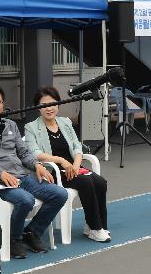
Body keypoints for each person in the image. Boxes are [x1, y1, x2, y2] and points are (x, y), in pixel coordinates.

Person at [0, 85, 68, 260]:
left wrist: (37, 165)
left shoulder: (10, 125)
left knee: (60, 194)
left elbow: (24, 153)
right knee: (26, 200)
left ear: (3, 105)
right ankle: (12, 239)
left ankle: (31, 232)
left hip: (21, 177)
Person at [24, 86, 111, 243]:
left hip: (73, 169)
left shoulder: (65, 122)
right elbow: (35, 152)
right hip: (53, 172)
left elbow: (77, 146)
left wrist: (76, 165)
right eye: (44, 105)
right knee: (86, 182)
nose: (49, 108)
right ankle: (95, 228)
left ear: (58, 104)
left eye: (52, 104)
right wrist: (62, 161)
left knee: (100, 182)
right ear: (38, 107)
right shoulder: (31, 127)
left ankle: (95, 226)